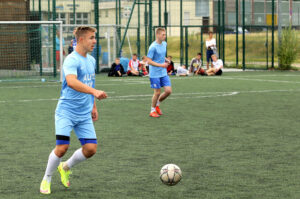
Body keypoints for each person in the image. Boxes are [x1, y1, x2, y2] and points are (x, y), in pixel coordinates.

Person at [40, 26, 108, 195]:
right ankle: (47, 178)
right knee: (62, 147)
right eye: (92, 38)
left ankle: (65, 167)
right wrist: (94, 92)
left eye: (95, 38)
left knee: (91, 149)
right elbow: (71, 82)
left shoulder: (91, 60)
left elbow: (90, 84)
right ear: (82, 40)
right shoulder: (71, 60)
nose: (94, 41)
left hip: (84, 113)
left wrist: (93, 106)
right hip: (66, 112)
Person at [146, 28, 171, 118]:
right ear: (157, 35)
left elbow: (161, 55)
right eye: (163, 35)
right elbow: (148, 61)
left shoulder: (164, 44)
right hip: (154, 73)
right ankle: (152, 110)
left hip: (163, 72)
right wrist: (161, 65)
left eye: (165, 34)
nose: (165, 36)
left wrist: (166, 59)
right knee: (157, 93)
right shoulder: (153, 47)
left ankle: (157, 105)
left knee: (168, 91)